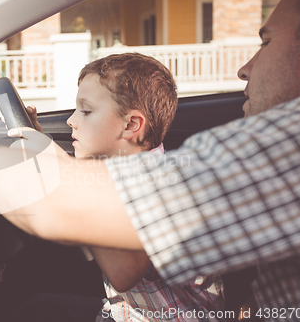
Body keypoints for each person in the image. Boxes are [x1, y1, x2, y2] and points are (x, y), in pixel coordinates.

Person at [0, 0, 300, 319]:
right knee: (39, 306)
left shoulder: (297, 144)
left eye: (266, 42)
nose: (244, 69)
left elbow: (106, 251)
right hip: (136, 311)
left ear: (132, 126)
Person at [16, 53, 224, 322]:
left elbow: (122, 273)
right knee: (40, 308)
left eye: (86, 111)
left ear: (131, 125)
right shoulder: (123, 169)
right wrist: (47, 151)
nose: (71, 120)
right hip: (128, 311)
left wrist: (44, 159)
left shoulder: (150, 186)